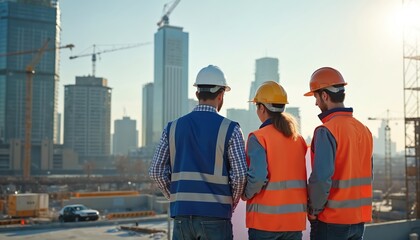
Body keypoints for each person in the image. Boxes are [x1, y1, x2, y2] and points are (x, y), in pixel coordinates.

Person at [148, 65, 247, 240]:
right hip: (216, 217)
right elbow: (239, 176)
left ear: (197, 94)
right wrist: (229, 203)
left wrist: (176, 196)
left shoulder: (172, 128)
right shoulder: (230, 129)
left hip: (182, 218)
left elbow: (156, 171)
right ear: (221, 94)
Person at [304, 67, 373, 240]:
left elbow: (321, 178)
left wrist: (313, 211)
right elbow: (368, 175)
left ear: (325, 96)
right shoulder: (364, 130)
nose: (316, 103)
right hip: (358, 221)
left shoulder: (326, 131)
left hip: (332, 221)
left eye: (316, 97)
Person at [243, 81, 308, 240]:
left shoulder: (258, 137)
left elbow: (258, 177)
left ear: (262, 108)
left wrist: (245, 194)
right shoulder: (298, 139)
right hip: (294, 223)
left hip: (265, 224)